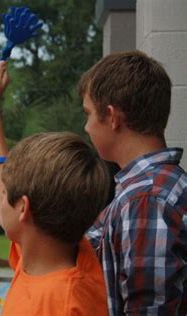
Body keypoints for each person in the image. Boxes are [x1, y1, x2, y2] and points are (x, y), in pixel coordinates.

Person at [0, 61, 110, 315]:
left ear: (23, 208)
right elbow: (0, 207)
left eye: (4, 194)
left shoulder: (65, 302)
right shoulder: (43, 253)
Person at [79, 50, 187, 315]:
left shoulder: (146, 198)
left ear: (112, 117)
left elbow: (148, 309)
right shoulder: (154, 187)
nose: (86, 127)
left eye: (88, 113)